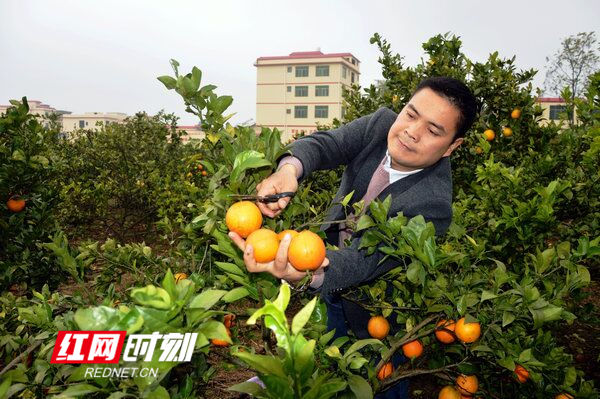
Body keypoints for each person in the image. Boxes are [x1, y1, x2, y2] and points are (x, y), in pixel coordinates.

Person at [229, 77, 477, 398]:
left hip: (378, 318)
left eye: (433, 130)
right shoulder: (380, 127)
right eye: (411, 114)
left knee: (377, 383)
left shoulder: (431, 204)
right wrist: (289, 169)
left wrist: (307, 271)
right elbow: (327, 144)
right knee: (322, 354)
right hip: (329, 277)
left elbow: (364, 262)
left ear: (452, 146)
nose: (411, 131)